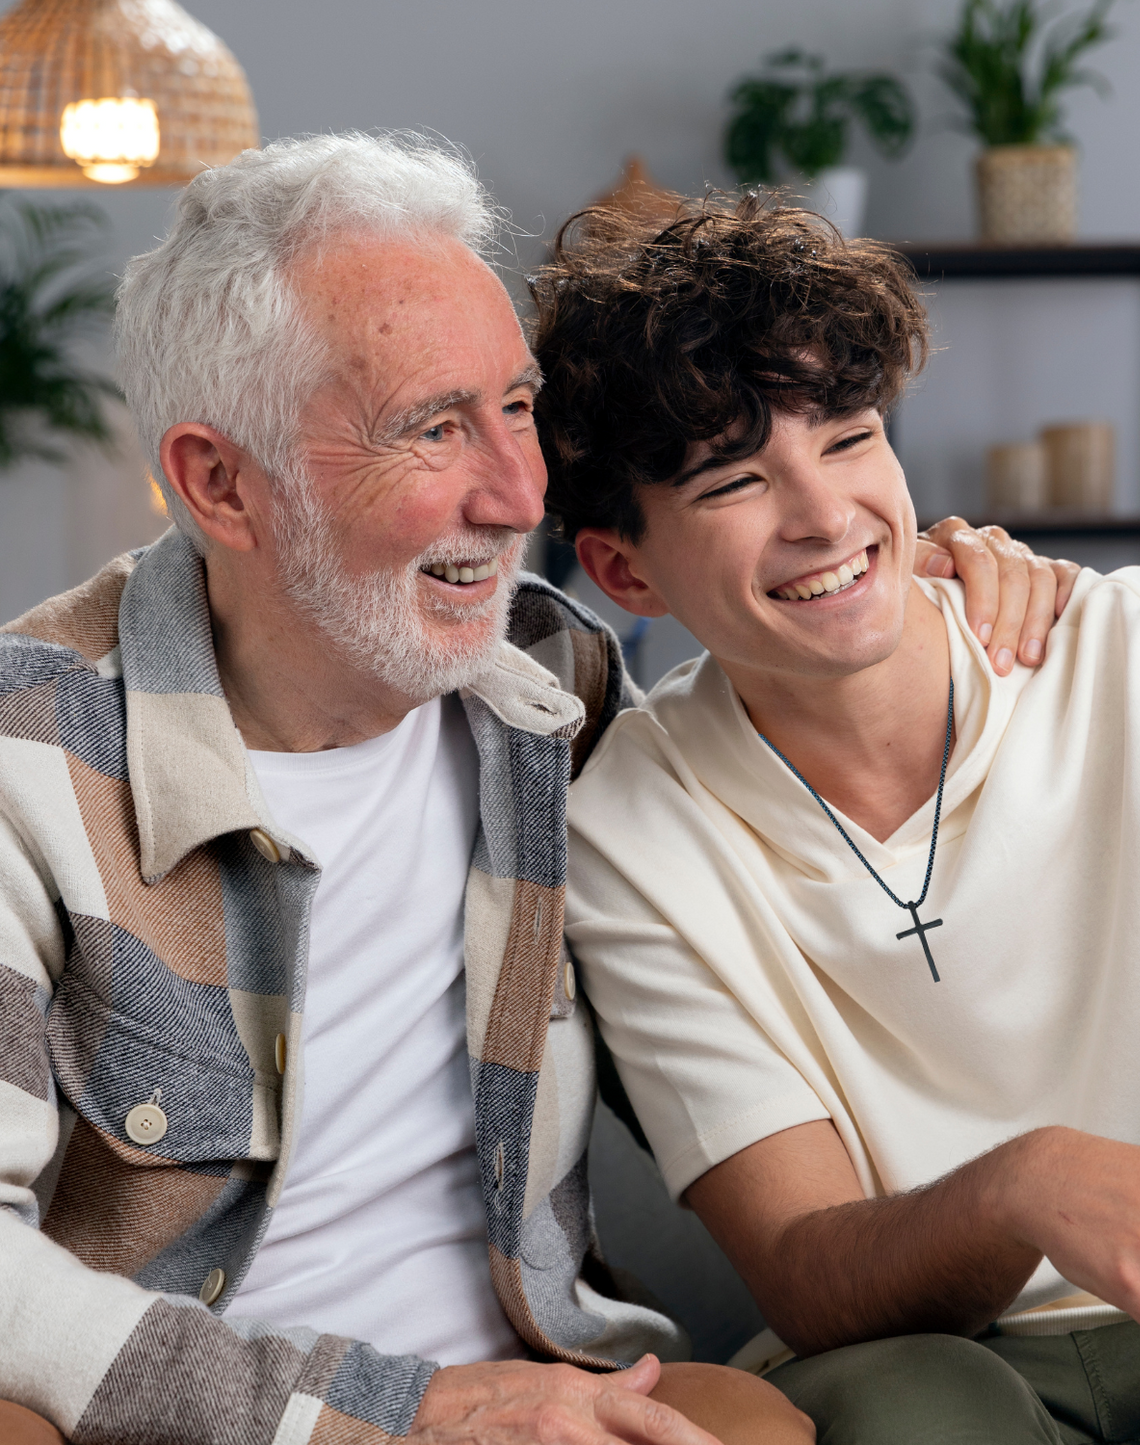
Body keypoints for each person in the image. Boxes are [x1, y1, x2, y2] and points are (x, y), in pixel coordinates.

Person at [0, 135, 1067, 1445]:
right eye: (432, 427)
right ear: (223, 482)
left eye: (514, 406)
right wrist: (399, 1413)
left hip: (555, 1384)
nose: (517, 496)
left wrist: (922, 593)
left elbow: (831, 783)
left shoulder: (555, 694)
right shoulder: (31, 761)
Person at [537, 196, 1140, 1443]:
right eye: (737, 480)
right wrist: (1024, 1184)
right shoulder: (621, 826)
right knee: (920, 1409)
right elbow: (803, 1269)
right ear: (624, 570)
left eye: (849, 440)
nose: (823, 514)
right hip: (930, 1358)